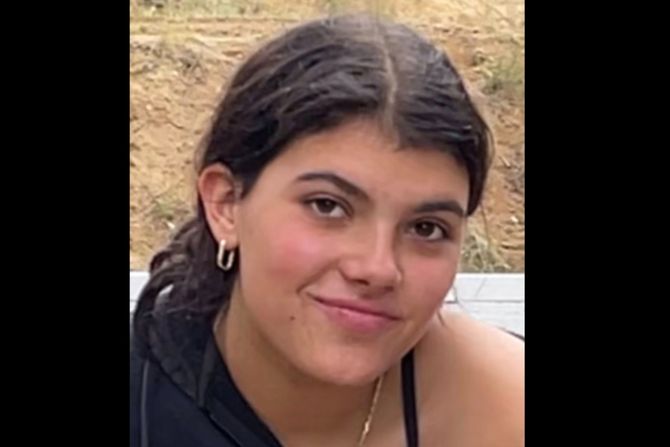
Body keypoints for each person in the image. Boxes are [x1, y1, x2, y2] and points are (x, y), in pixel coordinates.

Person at [130, 13, 524, 447]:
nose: (377, 268)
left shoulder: (501, 407)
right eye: (327, 206)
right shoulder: (147, 404)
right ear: (225, 204)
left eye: (426, 228)